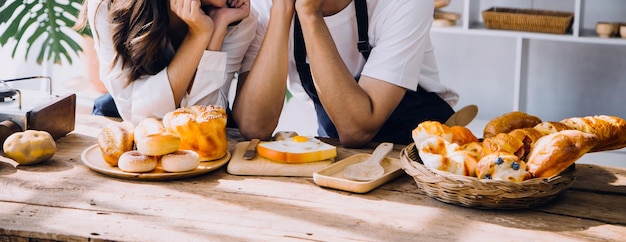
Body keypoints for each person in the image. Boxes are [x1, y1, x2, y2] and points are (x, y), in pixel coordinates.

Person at [232, 0, 459, 147]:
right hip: (340, 154)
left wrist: (309, 14)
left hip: (427, 155)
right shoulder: (264, 7)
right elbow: (254, 127)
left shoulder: (403, 3)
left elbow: (357, 130)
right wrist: (282, 11)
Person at [76, 0, 256, 125]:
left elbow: (204, 119)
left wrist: (216, 31)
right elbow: (139, 114)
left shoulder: (236, 17)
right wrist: (198, 35)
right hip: (124, 123)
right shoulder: (107, 5)